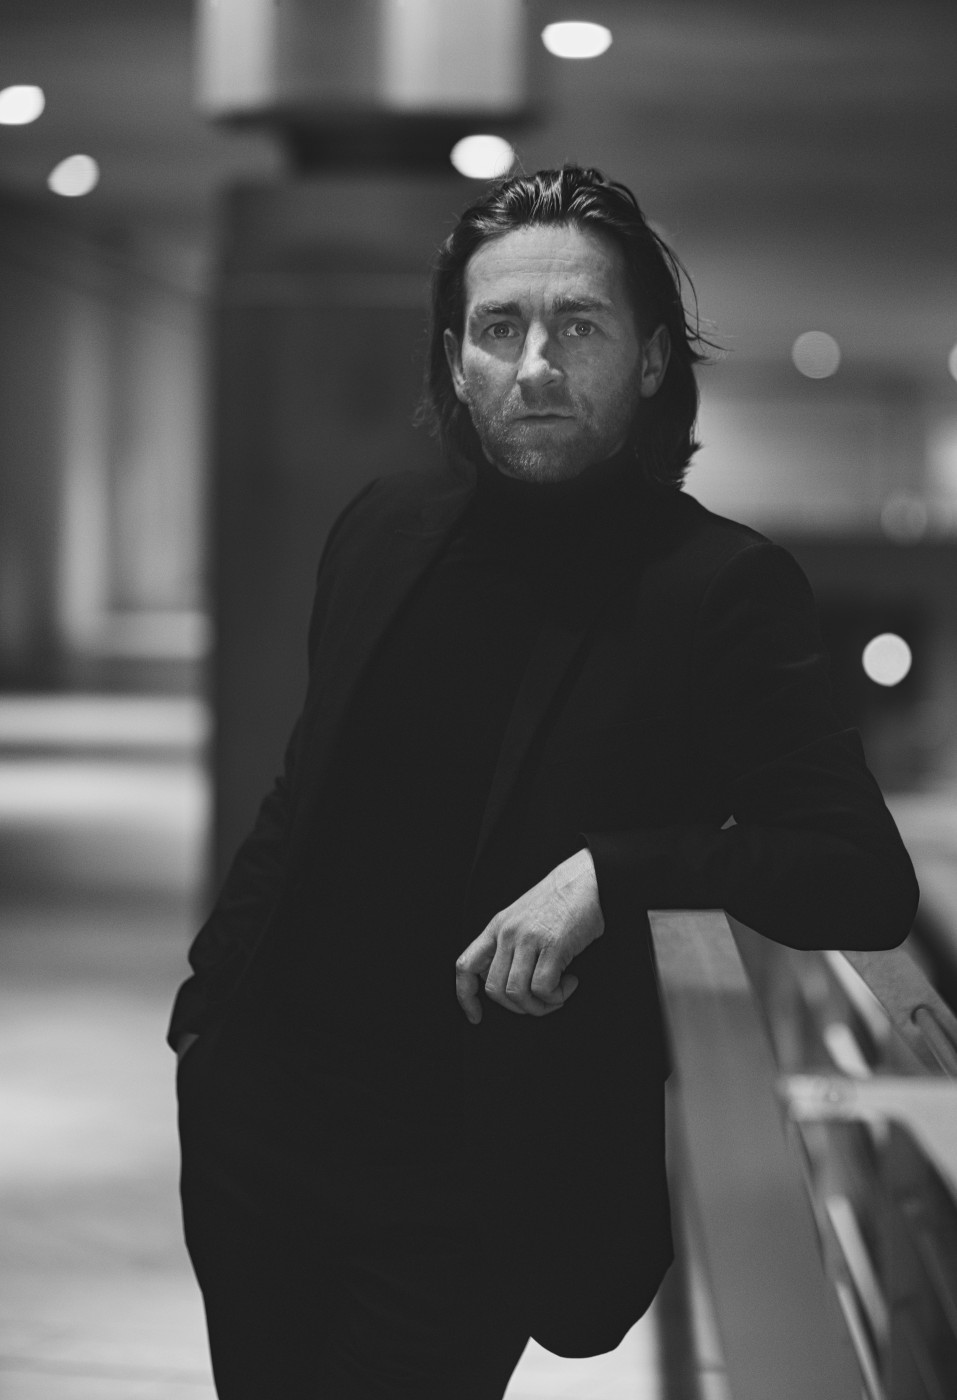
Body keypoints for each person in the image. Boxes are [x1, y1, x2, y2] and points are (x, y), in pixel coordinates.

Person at [169, 165, 919, 1397]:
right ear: (455, 359)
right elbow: (310, 788)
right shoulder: (382, 528)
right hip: (264, 1132)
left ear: (652, 358)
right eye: (499, 327)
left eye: (578, 326)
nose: (535, 365)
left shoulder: (722, 590)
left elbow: (862, 877)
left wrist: (613, 873)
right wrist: (210, 1016)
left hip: (471, 1179)